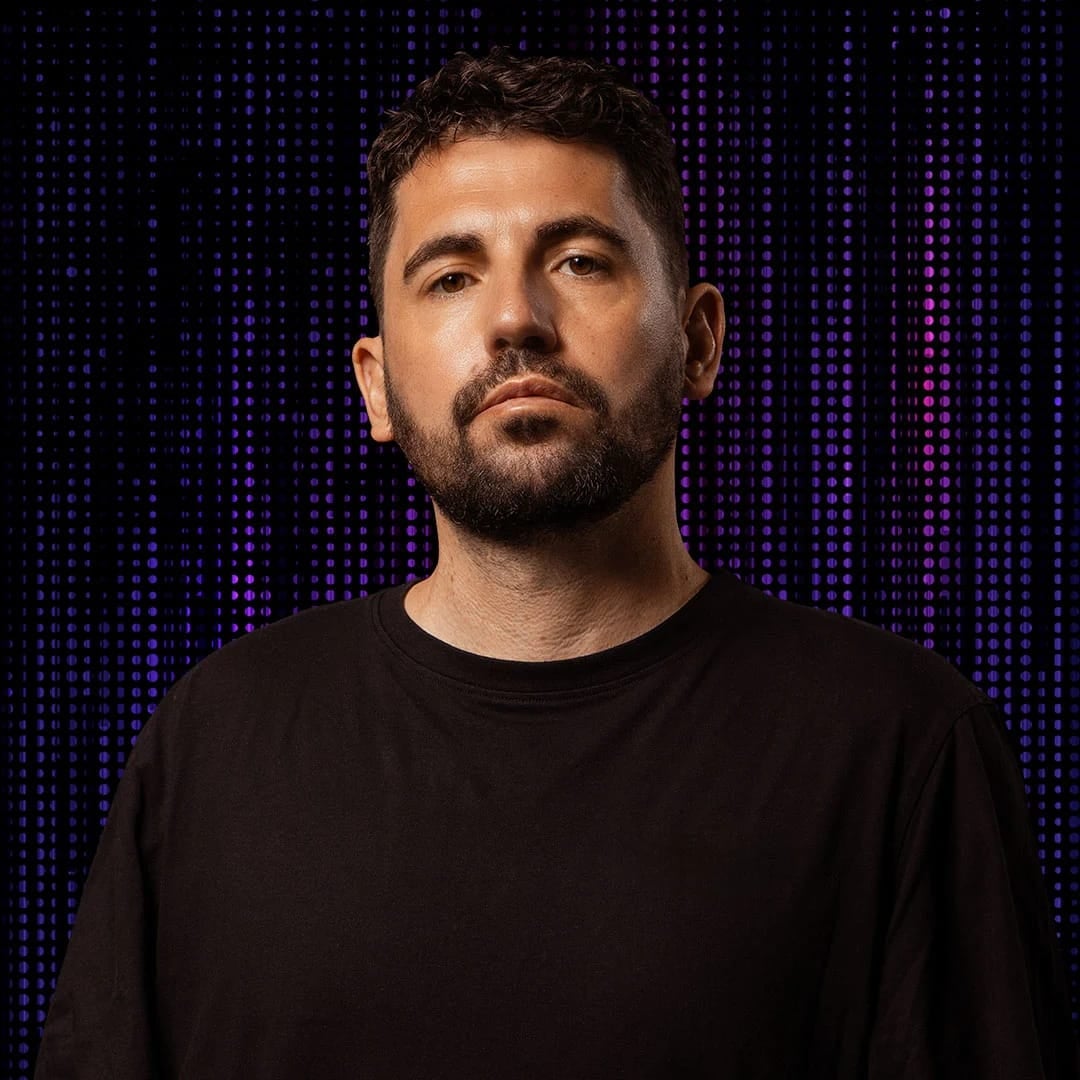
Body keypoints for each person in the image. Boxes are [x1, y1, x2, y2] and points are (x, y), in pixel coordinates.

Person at [35, 48, 1078, 1078]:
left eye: (580, 261)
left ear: (698, 340)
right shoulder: (215, 743)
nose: (515, 321)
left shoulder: (899, 743)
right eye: (451, 276)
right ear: (376, 386)